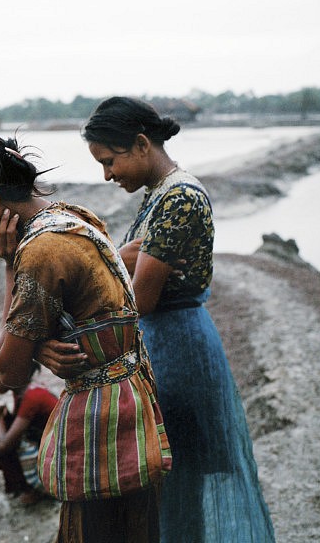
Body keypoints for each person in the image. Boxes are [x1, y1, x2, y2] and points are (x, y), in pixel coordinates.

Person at [39, 97, 275, 542]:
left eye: (109, 161)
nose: (106, 175)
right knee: (165, 478)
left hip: (178, 351)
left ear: (142, 144)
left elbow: (140, 295)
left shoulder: (181, 197)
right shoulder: (162, 194)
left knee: (177, 475)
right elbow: (120, 258)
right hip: (163, 346)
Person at [0, 134, 170, 543]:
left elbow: (10, 371)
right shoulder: (72, 215)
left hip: (101, 425)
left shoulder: (40, 252)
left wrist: (9, 268)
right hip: (131, 404)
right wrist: (40, 343)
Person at [0, 356, 58, 505]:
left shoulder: (32, 396)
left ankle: (29, 488)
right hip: (41, 445)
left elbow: (4, 445)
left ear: (14, 373)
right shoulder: (21, 390)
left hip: (55, 460)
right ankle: (17, 483)